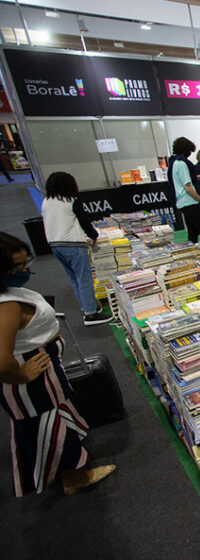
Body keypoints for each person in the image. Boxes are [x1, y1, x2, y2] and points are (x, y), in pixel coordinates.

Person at [0, 232, 116, 496]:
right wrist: (22, 375)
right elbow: (1, 361)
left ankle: (66, 471)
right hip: (31, 376)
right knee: (47, 424)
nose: (25, 270)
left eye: (24, 262)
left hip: (40, 368)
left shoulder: (9, 295)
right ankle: (74, 476)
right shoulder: (6, 307)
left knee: (53, 419)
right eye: (16, 267)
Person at [40, 172, 110, 326]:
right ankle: (91, 314)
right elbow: (85, 223)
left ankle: (87, 306)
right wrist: (93, 236)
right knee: (84, 278)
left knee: (74, 279)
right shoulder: (71, 201)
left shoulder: (46, 201)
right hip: (73, 244)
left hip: (54, 245)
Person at [168, 137, 200, 243]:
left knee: (193, 233)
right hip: (189, 201)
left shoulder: (173, 162)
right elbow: (188, 188)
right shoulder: (181, 164)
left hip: (183, 202)